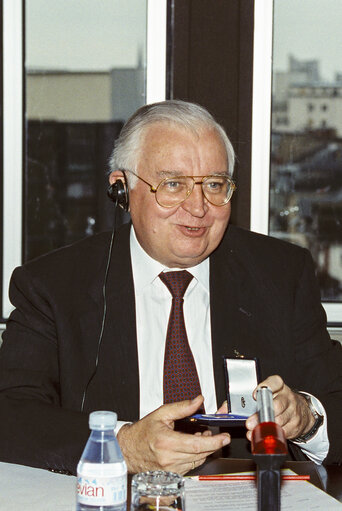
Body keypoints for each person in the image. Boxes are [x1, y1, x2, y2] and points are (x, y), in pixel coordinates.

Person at [0, 100, 341, 476]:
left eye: (214, 184)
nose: (198, 207)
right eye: (173, 184)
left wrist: (306, 416)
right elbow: (11, 414)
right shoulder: (54, 285)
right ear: (122, 191)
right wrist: (122, 446)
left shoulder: (280, 273)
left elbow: (334, 398)